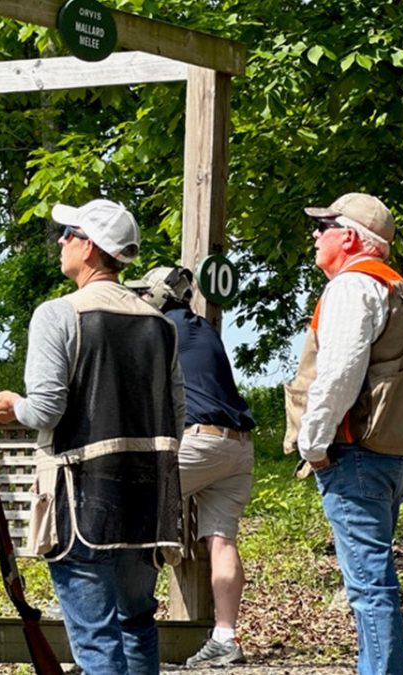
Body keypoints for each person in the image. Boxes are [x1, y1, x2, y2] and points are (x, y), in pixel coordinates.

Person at [0, 199, 185, 674]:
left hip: (82, 494)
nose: (60, 242)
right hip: (149, 497)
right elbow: (176, 413)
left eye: (68, 234)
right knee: (136, 621)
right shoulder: (161, 325)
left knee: (95, 639)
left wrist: (13, 406)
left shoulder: (58, 314)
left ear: (89, 246)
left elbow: (47, 409)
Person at [285, 192, 403, 675]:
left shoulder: (351, 286)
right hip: (398, 454)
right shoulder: (401, 289)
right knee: (375, 581)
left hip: (355, 452)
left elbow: (339, 372)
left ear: (350, 237)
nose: (316, 236)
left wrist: (313, 444)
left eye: (324, 226)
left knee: (369, 585)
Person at [128, 266, 255, 667]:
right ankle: (225, 636)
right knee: (221, 539)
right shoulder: (203, 329)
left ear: (159, 296)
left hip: (198, 440)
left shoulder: (160, 330)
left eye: (144, 292)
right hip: (237, 446)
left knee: (127, 512)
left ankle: (117, 623)